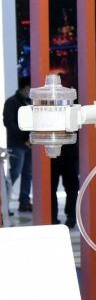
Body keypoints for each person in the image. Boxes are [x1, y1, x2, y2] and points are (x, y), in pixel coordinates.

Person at [3, 77, 32, 214]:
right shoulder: (11, 102)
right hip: (16, 145)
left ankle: (24, 202)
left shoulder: (28, 102)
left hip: (28, 145)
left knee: (28, 174)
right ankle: (4, 204)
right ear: (26, 87)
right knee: (14, 173)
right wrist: (23, 138)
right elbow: (9, 123)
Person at [50, 140, 79, 229]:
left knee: (71, 188)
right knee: (51, 187)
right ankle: (54, 216)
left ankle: (70, 216)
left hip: (67, 151)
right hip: (54, 150)